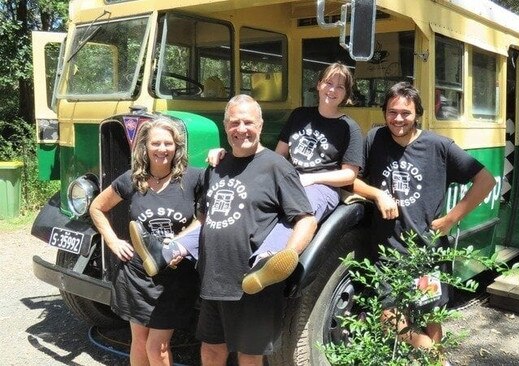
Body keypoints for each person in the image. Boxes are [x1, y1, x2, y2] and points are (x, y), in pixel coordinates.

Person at [352, 82, 496, 359]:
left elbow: (485, 180)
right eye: (392, 112)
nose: (398, 119)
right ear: (384, 112)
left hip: (425, 251)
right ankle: (438, 359)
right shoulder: (374, 140)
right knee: (388, 319)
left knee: (431, 313)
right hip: (388, 251)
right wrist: (378, 194)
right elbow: (352, 180)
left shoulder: (439, 146)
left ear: (417, 113)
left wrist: (451, 218)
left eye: (405, 113)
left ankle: (436, 358)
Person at [207, 61, 363, 295]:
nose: (332, 90)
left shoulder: (349, 127)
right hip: (290, 178)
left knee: (299, 209)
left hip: (322, 187)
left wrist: (312, 179)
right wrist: (231, 157)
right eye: (328, 83)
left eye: (340, 87)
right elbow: (279, 155)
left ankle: (267, 260)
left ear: (346, 94)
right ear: (319, 85)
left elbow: (349, 173)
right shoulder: (300, 115)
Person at [196, 94, 317, 366]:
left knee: (249, 358)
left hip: (253, 283)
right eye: (234, 123)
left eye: (248, 122)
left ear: (260, 125)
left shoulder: (277, 166)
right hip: (214, 280)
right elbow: (205, 217)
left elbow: (306, 219)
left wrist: (285, 256)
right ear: (226, 127)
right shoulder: (216, 167)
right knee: (210, 352)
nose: (241, 129)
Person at [89, 117, 204, 366]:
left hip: (175, 275)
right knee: (139, 342)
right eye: (156, 143)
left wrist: (180, 241)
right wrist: (113, 241)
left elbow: (205, 216)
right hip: (136, 275)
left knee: (158, 347)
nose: (162, 149)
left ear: (177, 146)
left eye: (168, 143)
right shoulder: (133, 179)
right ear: (145, 147)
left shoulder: (193, 178)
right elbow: (97, 207)